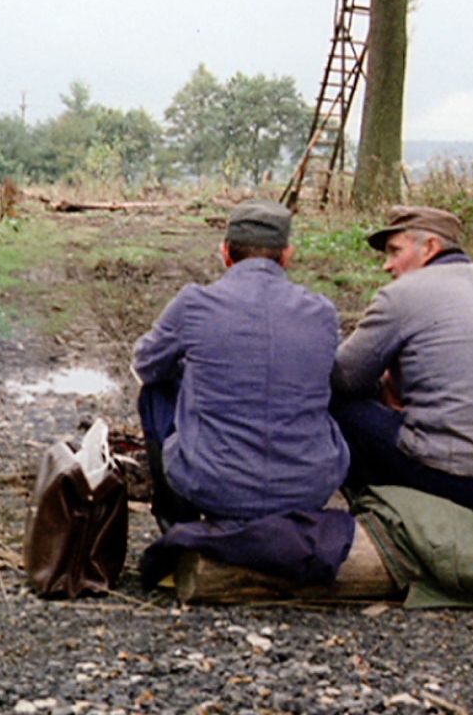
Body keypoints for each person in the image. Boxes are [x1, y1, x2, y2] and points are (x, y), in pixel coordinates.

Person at [133, 200, 350, 529]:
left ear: (225, 253)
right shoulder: (322, 312)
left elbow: (145, 364)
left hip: (214, 487)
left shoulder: (194, 303)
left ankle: (176, 526)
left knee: (155, 391)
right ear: (287, 255)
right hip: (309, 489)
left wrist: (188, 372)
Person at [331, 205, 473, 508]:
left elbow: (344, 377)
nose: (387, 266)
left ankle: (385, 513)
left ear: (430, 247)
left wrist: (383, 386)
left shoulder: (403, 294)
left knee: (332, 399)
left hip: (461, 478)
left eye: (394, 251)